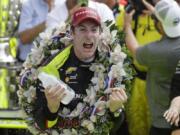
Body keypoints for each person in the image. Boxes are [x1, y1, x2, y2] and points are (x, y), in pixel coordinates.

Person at [22, 7, 129, 135]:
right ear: (72, 33)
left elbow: (115, 126)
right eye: (82, 29)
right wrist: (51, 108)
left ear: (100, 33)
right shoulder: (52, 65)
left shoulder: (112, 67)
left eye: (94, 30)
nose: (89, 36)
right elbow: (40, 124)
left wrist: (115, 111)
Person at [124, 0, 180, 135]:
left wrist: (127, 25)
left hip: (164, 123)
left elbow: (134, 50)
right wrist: (160, 13)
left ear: (159, 24)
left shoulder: (158, 51)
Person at [46, 0, 115, 29]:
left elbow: (111, 40)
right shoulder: (52, 16)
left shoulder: (103, 10)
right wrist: (69, 20)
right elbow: (53, 43)